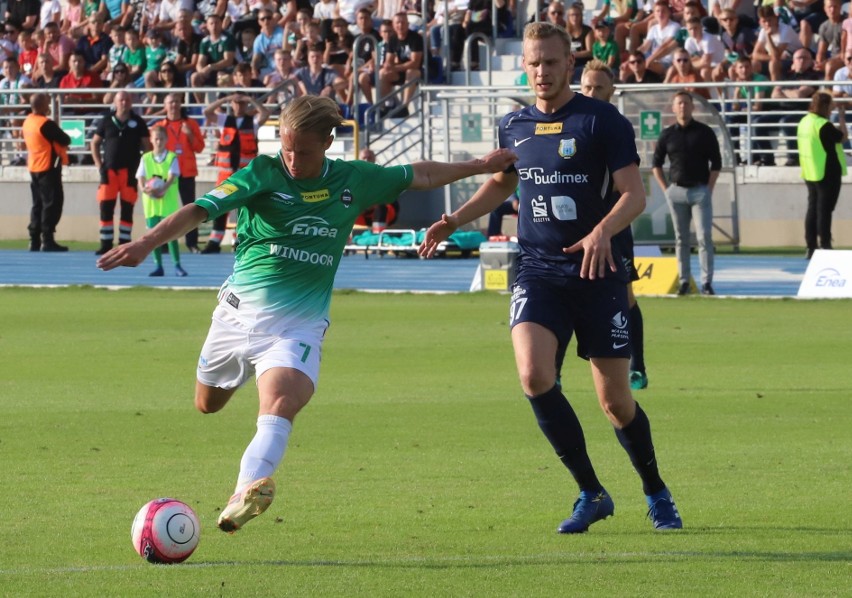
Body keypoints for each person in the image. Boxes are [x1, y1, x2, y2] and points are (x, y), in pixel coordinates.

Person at [96, 94, 516, 534]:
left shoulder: (354, 179)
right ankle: (240, 383)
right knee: (207, 405)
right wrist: (146, 242)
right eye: (287, 147)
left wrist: (479, 166)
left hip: (297, 325)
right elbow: (200, 210)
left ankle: (242, 494)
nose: (294, 159)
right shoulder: (263, 171)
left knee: (279, 404)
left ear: (329, 142)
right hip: (236, 319)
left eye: (305, 151)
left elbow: (419, 174)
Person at [418, 22, 682, 534]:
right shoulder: (513, 125)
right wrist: (454, 219)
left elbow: (634, 195)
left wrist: (603, 231)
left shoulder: (602, 121)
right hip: (538, 270)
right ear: (526, 65)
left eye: (552, 62)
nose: (543, 71)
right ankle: (591, 491)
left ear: (570, 64)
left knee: (616, 402)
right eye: (534, 62)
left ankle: (656, 489)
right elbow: (501, 184)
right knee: (535, 376)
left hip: (597, 271)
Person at [580, 59, 649, 389]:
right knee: (563, 294)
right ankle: (555, 371)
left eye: (599, 88)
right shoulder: (569, 122)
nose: (592, 93)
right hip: (575, 226)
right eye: (588, 87)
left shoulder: (616, 127)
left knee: (625, 295)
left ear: (612, 91)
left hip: (614, 226)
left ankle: (637, 365)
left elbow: (629, 187)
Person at [652, 91, 722, 296]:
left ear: (692, 107)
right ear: (673, 108)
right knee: (681, 239)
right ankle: (683, 281)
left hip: (700, 191)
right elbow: (656, 163)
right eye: (679, 103)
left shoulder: (704, 132)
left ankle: (706, 282)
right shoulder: (667, 134)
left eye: (686, 103)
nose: (683, 107)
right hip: (677, 191)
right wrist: (666, 189)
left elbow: (716, 163)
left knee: (704, 237)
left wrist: (709, 188)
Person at [201, 92, 270, 253]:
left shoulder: (252, 122)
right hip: (225, 175)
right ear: (232, 104)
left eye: (242, 103)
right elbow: (207, 112)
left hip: (246, 176)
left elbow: (265, 113)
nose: (239, 106)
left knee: (244, 209)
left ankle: (240, 240)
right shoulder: (224, 120)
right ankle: (214, 242)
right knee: (219, 207)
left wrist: (251, 99)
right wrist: (225, 99)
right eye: (236, 103)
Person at [91, 90, 152, 255]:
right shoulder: (106, 120)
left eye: (126, 100)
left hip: (129, 172)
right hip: (109, 171)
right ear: (115, 102)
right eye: (121, 100)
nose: (124, 103)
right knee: (106, 208)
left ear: (130, 102)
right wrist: (99, 165)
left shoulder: (138, 122)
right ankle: (105, 243)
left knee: (127, 209)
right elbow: (95, 143)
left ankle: (124, 243)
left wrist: (143, 168)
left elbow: (147, 147)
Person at [153, 93, 206, 253]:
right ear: (165, 105)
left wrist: (189, 134)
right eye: (170, 102)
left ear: (180, 104)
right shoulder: (160, 126)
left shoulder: (191, 124)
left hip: (187, 172)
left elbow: (200, 147)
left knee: (191, 210)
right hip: (167, 173)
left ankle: (192, 243)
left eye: (176, 102)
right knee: (165, 210)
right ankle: (162, 244)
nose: (174, 105)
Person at [797, 91, 847, 258]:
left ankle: (811, 246)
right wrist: (841, 117)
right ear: (826, 106)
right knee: (825, 210)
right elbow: (843, 137)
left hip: (810, 170)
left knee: (813, 209)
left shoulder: (804, 121)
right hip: (827, 171)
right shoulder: (823, 124)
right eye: (831, 106)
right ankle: (825, 244)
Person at [22, 93, 71, 252]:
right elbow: (65, 139)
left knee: (37, 204)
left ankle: (34, 239)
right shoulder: (45, 124)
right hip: (48, 167)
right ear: (42, 105)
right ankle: (47, 239)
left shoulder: (28, 122)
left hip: (34, 167)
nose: (49, 105)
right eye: (47, 103)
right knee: (52, 203)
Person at [137, 125, 187, 277]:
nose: (159, 142)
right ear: (151, 140)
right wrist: (144, 189)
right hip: (151, 205)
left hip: (168, 204)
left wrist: (162, 189)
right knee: (153, 237)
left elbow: (172, 177)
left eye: (161, 138)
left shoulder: (171, 157)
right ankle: (158, 266)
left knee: (171, 235)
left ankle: (177, 265)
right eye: (156, 138)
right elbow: (140, 177)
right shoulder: (145, 158)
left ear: (166, 140)